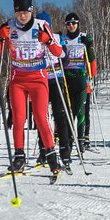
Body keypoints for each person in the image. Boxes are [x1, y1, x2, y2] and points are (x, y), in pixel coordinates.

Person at [0, 0, 64, 176]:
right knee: (18, 119)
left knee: (41, 118)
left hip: (38, 79)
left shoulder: (41, 26)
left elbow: (59, 52)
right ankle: (19, 157)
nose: (22, 16)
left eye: (25, 12)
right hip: (18, 80)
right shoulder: (9, 27)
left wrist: (47, 40)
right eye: (18, 12)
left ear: (31, 11)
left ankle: (51, 156)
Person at [36, 12, 72, 167]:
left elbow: (66, 59)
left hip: (56, 80)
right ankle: (44, 151)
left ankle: (65, 151)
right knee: (41, 118)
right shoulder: (34, 39)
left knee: (60, 116)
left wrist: (56, 55)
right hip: (41, 82)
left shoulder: (58, 37)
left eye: (46, 24)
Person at [60, 12, 95, 153]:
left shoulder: (84, 37)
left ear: (78, 24)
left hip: (80, 78)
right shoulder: (63, 39)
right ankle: (68, 141)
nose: (71, 26)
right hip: (67, 79)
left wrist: (88, 46)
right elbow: (58, 56)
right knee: (68, 113)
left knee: (80, 112)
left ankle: (80, 141)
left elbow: (91, 59)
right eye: (68, 23)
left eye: (74, 23)